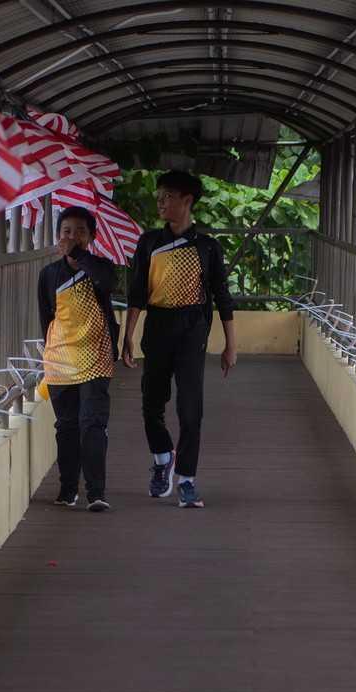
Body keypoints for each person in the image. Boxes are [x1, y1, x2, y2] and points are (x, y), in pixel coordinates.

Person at [122, 170, 236, 509]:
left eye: (168, 196)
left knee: (190, 407)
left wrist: (231, 345)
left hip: (192, 329)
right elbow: (137, 293)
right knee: (151, 403)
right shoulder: (149, 243)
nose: (160, 202)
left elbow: (222, 296)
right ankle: (162, 459)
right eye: (159, 195)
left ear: (187, 201)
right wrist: (127, 336)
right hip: (157, 326)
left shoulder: (207, 247)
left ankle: (186, 479)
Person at [38, 206, 120, 512]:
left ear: (92, 237)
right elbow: (46, 317)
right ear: (58, 237)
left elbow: (109, 284)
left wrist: (80, 257)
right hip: (60, 359)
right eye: (67, 232)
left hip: (96, 357)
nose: (73, 237)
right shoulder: (48, 274)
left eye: (81, 232)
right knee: (67, 426)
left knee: (93, 423)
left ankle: (96, 492)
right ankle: (68, 488)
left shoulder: (101, 268)